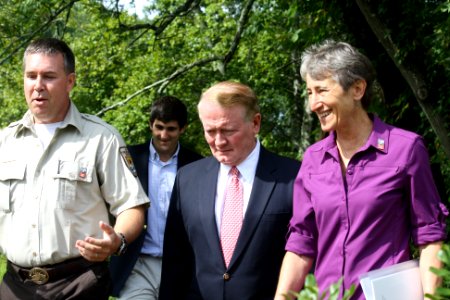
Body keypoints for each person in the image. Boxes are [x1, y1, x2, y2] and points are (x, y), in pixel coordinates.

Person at [275, 40, 448, 300]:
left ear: (357, 89)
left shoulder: (406, 149)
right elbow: (301, 243)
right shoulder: (312, 160)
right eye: (309, 93)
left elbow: (429, 236)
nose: (314, 104)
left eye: (321, 90)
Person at [0, 37, 150, 299]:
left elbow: (131, 206)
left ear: (70, 82)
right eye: (31, 76)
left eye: (48, 76)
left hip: (79, 284)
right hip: (15, 286)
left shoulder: (101, 138)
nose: (38, 86)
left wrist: (118, 239)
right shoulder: (5, 141)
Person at [159, 81, 301, 300]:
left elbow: (306, 255)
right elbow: (175, 261)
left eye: (228, 130)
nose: (218, 141)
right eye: (210, 131)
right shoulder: (187, 178)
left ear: (255, 123)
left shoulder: (293, 177)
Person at [109, 95, 203, 299]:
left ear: (183, 128)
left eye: (171, 129)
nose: (163, 135)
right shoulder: (128, 159)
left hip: (182, 266)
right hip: (137, 264)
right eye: (159, 127)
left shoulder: (198, 165)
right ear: (151, 125)